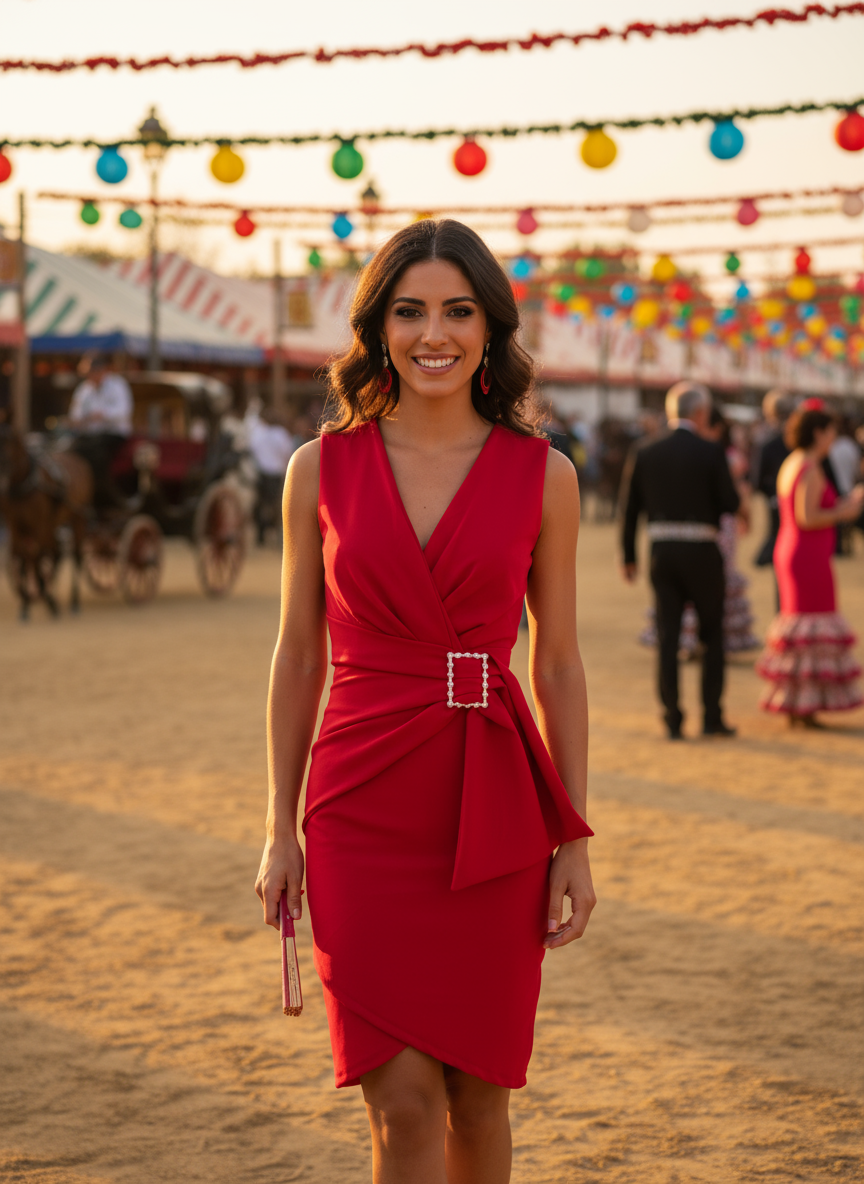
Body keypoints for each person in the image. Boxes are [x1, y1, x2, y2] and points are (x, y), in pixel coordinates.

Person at [254, 219, 595, 1184]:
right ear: (378, 327)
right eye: (409, 311)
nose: (433, 333)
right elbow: (296, 653)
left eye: (457, 310)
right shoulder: (318, 469)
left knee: (480, 1099)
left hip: (493, 807)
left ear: (491, 327)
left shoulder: (547, 477)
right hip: (359, 804)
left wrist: (572, 837)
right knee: (401, 1105)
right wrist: (279, 830)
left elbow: (560, 665)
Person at [620, 381, 740, 740]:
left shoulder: (645, 450)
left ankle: (672, 718)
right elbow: (730, 503)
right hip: (703, 550)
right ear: (701, 413)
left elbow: (629, 510)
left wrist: (628, 555)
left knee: (668, 636)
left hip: (661, 551)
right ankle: (711, 716)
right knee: (712, 635)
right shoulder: (711, 451)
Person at [756, 407, 863, 726]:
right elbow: (809, 516)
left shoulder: (794, 464)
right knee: (811, 628)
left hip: (796, 549)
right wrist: (846, 512)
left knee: (800, 629)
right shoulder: (808, 467)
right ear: (818, 433)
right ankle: (805, 704)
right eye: (830, 432)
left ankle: (799, 702)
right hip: (807, 554)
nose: (833, 438)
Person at [638, 405, 758, 655]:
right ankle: (698, 641)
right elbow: (738, 496)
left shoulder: (716, 454)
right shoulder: (716, 454)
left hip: (711, 526)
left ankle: (693, 640)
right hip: (710, 527)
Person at [68, 354, 133, 507]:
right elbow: (75, 414)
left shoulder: (118, 385)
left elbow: (123, 412)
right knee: (72, 451)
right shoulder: (84, 389)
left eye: (92, 372)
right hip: (90, 435)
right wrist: (81, 420)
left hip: (113, 434)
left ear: (102, 371)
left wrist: (103, 415)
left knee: (97, 456)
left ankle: (105, 496)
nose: (90, 377)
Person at [751, 389, 791, 570]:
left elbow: (756, 480)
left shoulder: (766, 444)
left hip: (776, 501)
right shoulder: (799, 440)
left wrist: (770, 494)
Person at [247, 404, 297, 544]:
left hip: (260, 474)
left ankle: (260, 535)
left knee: (260, 503)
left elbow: (252, 450)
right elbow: (288, 454)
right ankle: (277, 534)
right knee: (277, 504)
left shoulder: (258, 433)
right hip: (276, 474)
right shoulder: (281, 434)